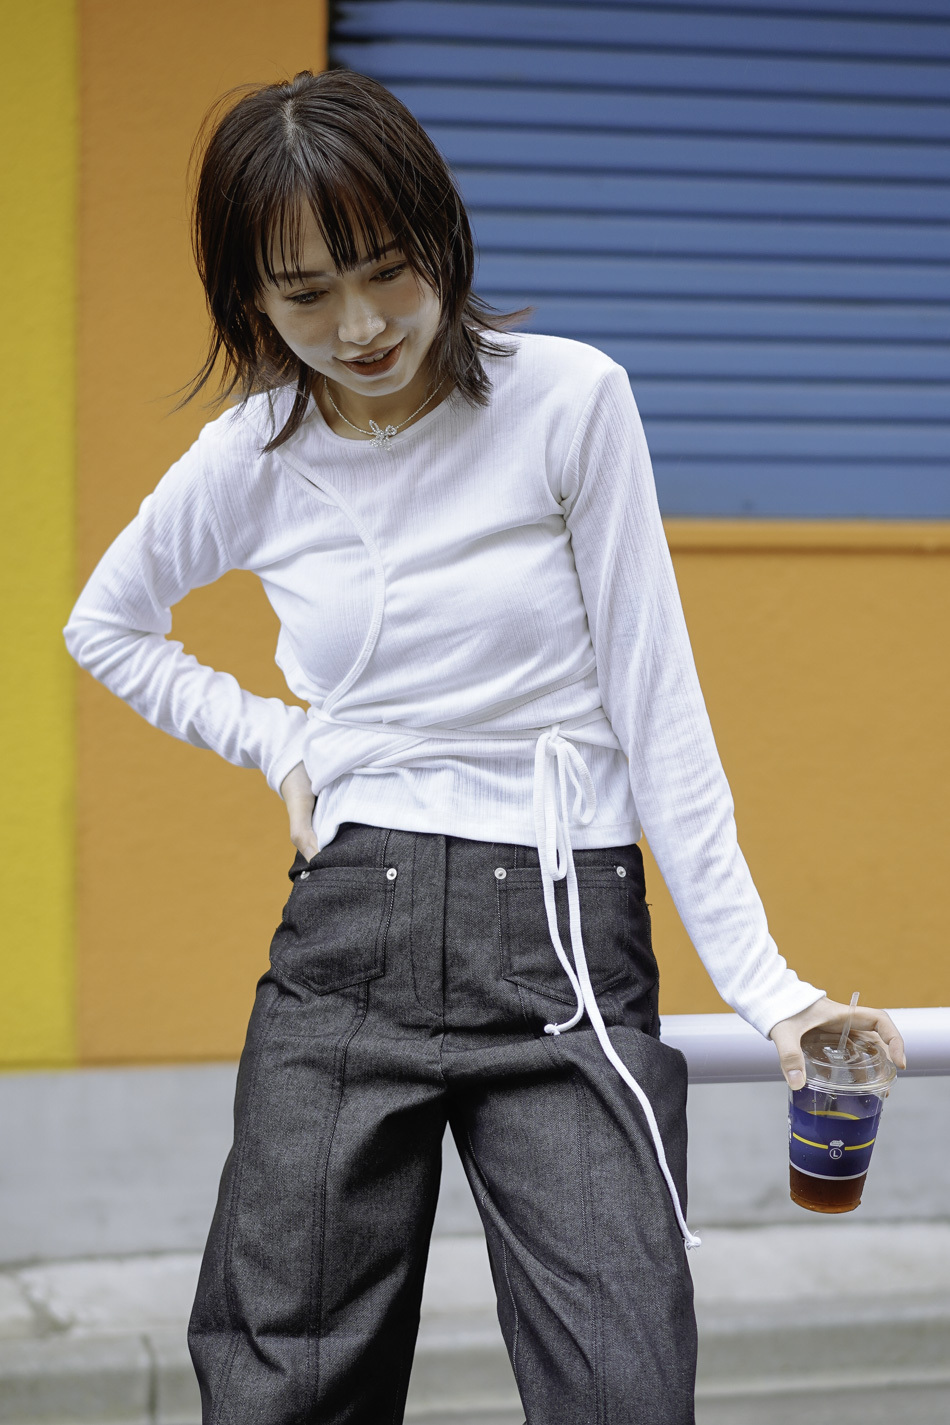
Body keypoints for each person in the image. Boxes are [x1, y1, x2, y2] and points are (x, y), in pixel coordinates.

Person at [63, 68, 905, 1425]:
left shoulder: (567, 400)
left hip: (563, 942)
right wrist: (280, 741)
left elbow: (656, 704)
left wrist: (771, 989)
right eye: (305, 294)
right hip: (351, 932)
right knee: (284, 1382)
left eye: (387, 271)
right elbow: (105, 627)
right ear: (250, 299)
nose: (359, 326)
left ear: (441, 236)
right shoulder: (250, 458)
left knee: (624, 1386)